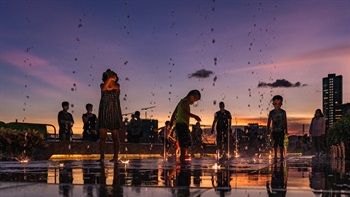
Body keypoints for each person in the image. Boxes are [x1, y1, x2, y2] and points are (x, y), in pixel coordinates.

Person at [98, 69, 123, 163]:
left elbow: (112, 86)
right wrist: (110, 78)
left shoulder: (117, 85)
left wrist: (110, 78)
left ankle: (116, 156)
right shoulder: (102, 85)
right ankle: (102, 157)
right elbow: (104, 88)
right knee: (102, 137)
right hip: (104, 111)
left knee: (115, 137)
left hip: (114, 111)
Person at [170, 90, 201, 163]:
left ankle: (183, 158)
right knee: (184, 144)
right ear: (192, 96)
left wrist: (171, 123)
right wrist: (195, 116)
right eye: (195, 100)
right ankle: (183, 160)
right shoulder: (185, 102)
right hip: (182, 125)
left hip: (181, 125)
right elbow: (185, 112)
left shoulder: (181, 101)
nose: (194, 102)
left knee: (186, 142)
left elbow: (174, 113)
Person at [267, 95, 288, 159]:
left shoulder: (283, 112)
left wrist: (286, 130)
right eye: (275, 103)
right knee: (275, 143)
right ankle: (275, 155)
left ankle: (281, 155)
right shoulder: (272, 112)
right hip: (274, 130)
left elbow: (285, 122)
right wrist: (267, 130)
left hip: (281, 130)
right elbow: (269, 121)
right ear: (273, 103)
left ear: (281, 103)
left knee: (281, 143)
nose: (277, 105)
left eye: (278, 103)